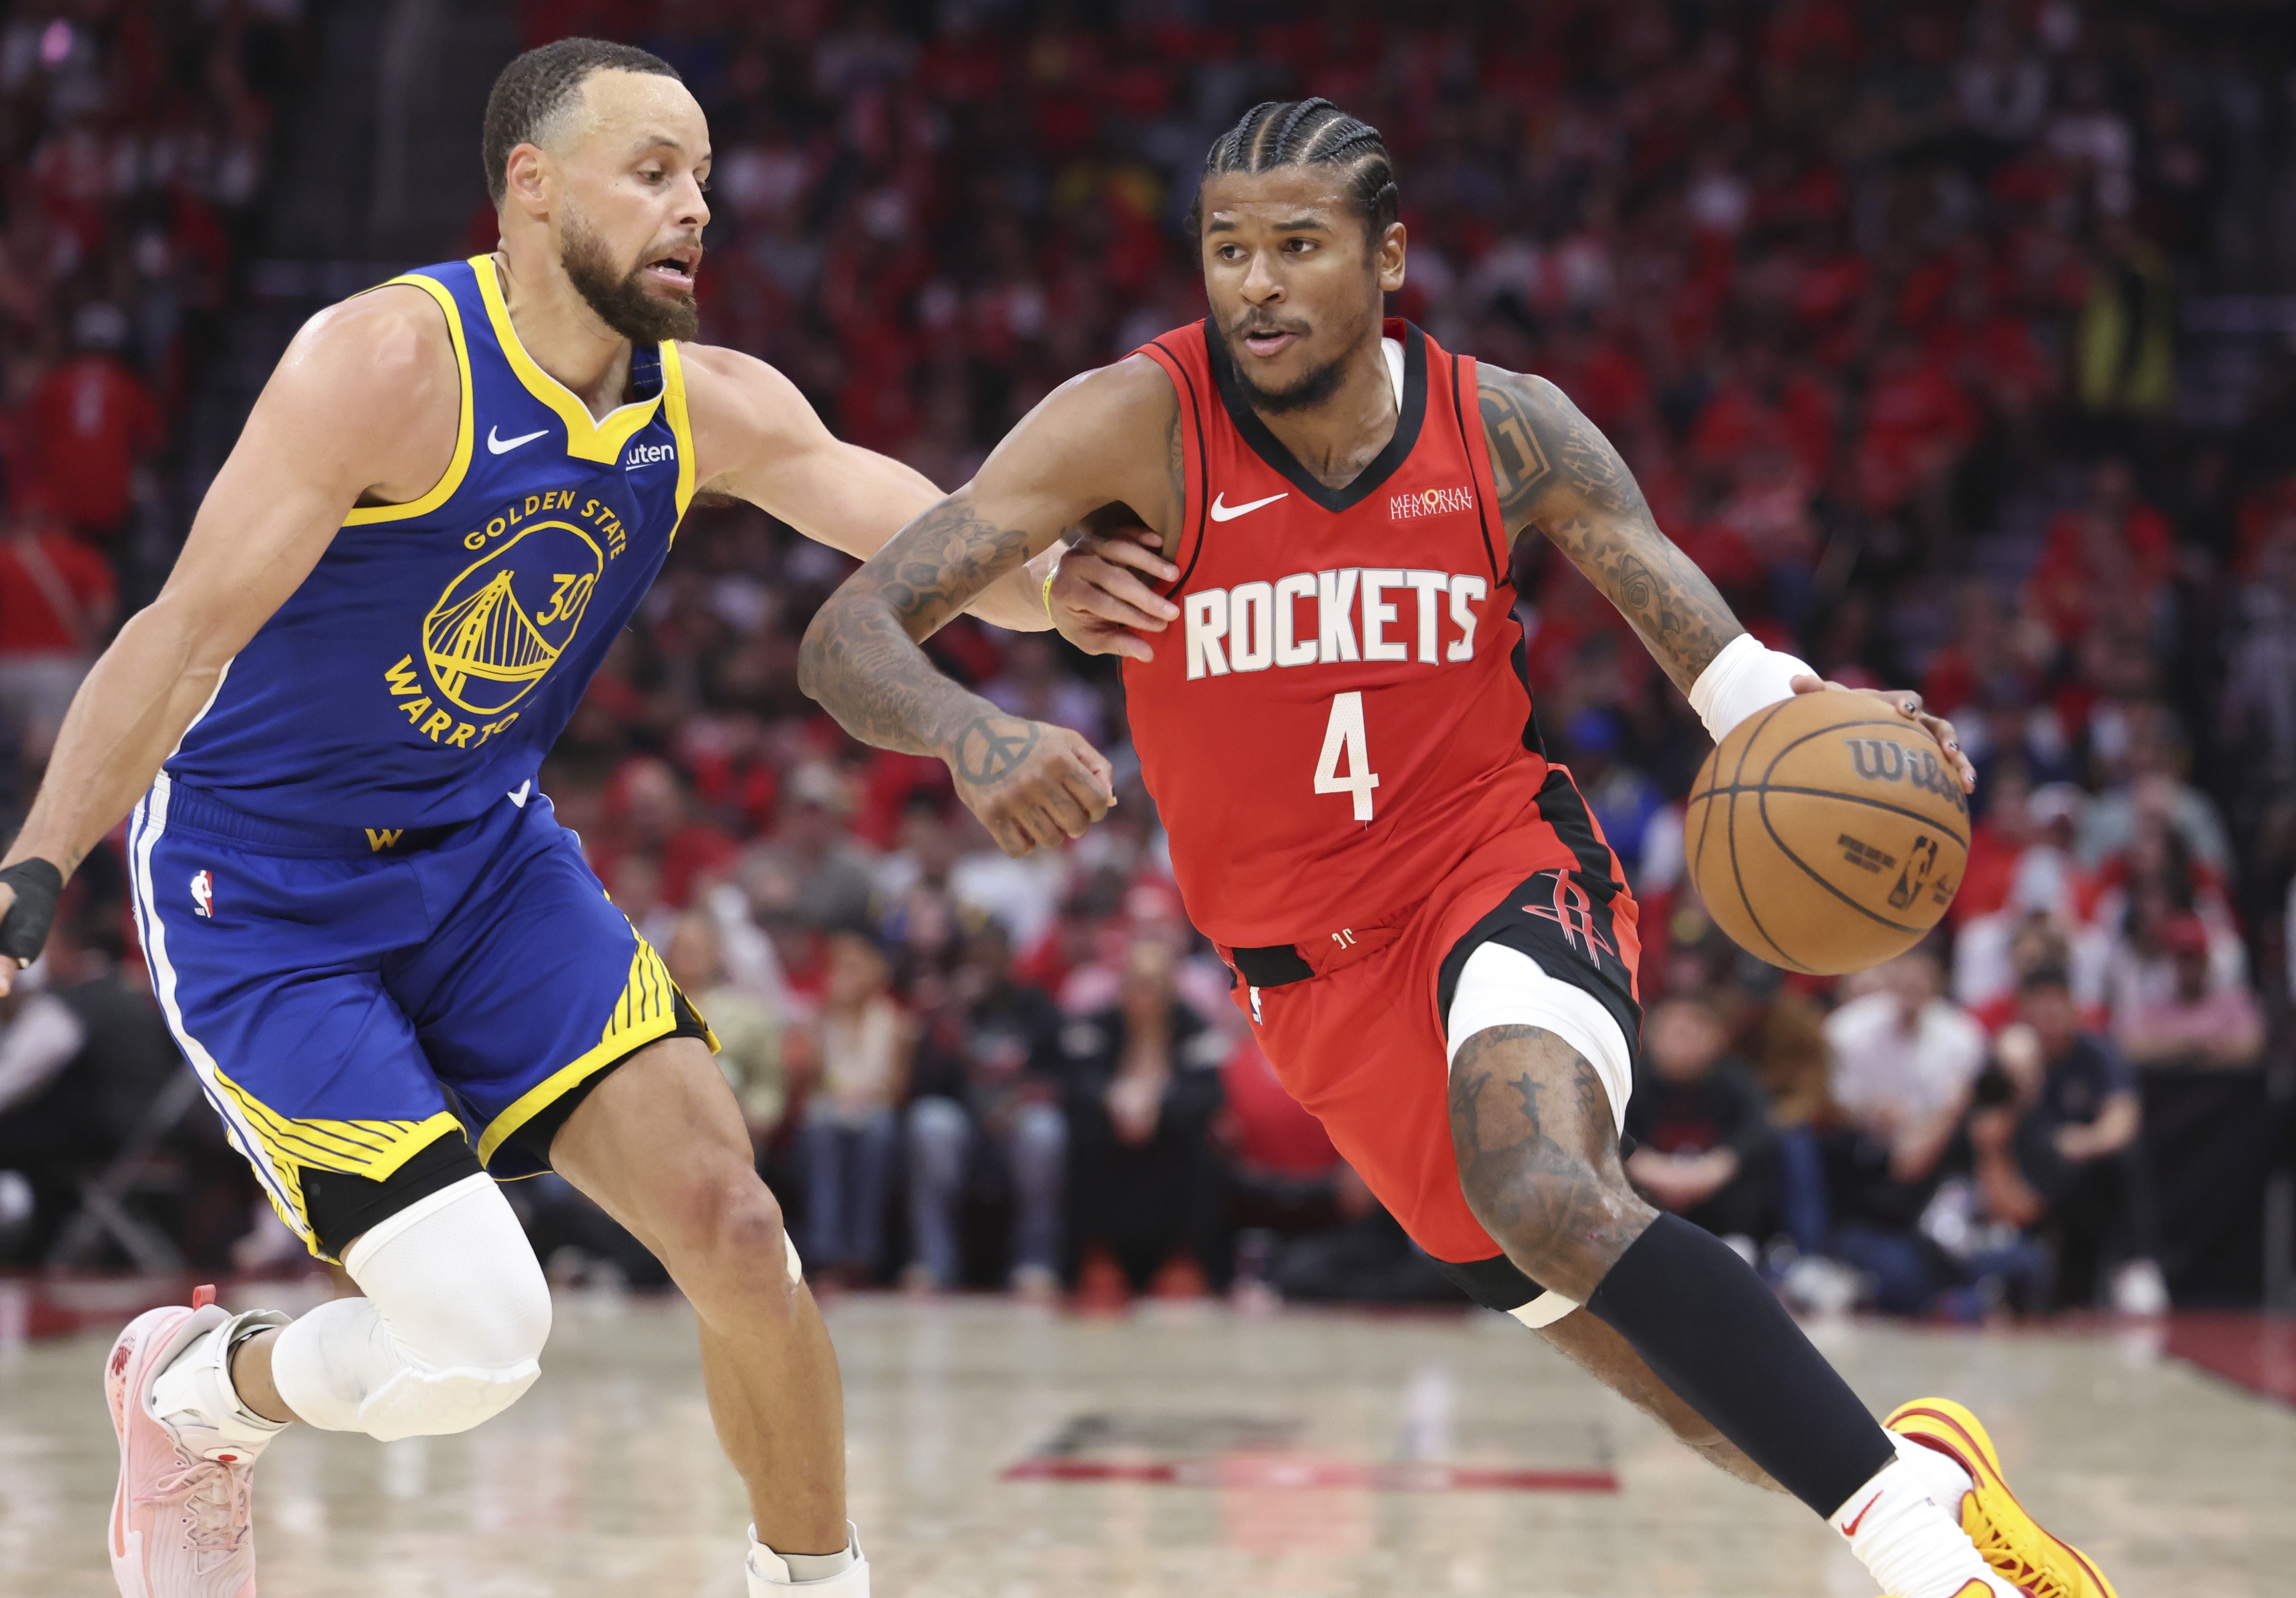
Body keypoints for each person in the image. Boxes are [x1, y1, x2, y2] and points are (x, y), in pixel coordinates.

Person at [798, 97, 2114, 1598]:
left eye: (1299, 246)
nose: (1255, 284)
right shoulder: (1133, 423)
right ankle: (1921, 1476)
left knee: (1542, 1186)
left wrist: (1834, 727)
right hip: (1306, 983)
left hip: (1495, 867)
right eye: (1226, 249)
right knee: (1674, 1376)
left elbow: (1716, 658)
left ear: (1389, 257)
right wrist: (970, 733)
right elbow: (848, 633)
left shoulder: (1505, 427)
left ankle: (1930, 1570)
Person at [0, 39, 1140, 1598]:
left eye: (705, 179)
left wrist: (1063, 590)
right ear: (529, 189)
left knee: (735, 1228)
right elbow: (182, 634)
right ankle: (196, 1389)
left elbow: (928, 536)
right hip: (264, 891)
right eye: (653, 172)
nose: (696, 209)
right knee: (480, 1344)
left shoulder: (708, 403)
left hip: (486, 862)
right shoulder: (383, 364)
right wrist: (33, 870)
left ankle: (815, 1584)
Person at [902, 919, 1067, 1296]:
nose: (984, 968)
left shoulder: (1034, 1005)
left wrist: (1017, 1102)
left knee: (1044, 1131)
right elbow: (924, 1084)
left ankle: (1035, 1262)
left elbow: (1058, 1078)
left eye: (992, 958)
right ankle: (934, 1262)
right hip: (964, 1121)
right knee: (930, 1123)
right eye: (976, 959)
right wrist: (951, 1016)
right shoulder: (949, 1011)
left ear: (1010, 959)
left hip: (1017, 1120)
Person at [1622, 993, 1774, 1253]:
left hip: (1722, 1208)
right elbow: (1609, 1133)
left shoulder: (1738, 1082)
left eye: (1693, 1032)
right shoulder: (1630, 1081)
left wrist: (1710, 1171)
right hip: (1644, 1205)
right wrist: (1656, 1172)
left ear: (1718, 1037)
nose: (1683, 1043)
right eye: (1674, 1033)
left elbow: (1756, 1133)